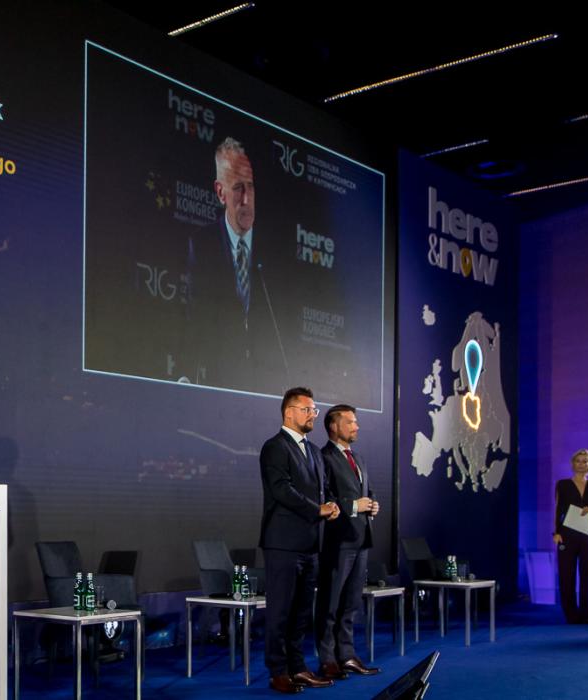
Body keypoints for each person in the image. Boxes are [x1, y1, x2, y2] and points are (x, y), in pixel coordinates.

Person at [184, 137, 286, 393]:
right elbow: (194, 320)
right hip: (219, 386)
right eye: (238, 188)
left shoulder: (275, 252)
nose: (247, 199)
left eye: (250, 187)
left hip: (265, 389)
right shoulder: (203, 245)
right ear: (221, 192)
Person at [259, 387, 340, 693]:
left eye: (314, 410)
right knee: (280, 612)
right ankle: (278, 671)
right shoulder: (275, 447)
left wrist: (331, 505)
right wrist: (317, 509)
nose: (312, 415)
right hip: (283, 543)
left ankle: (298, 667)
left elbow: (324, 490)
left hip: (310, 545)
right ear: (288, 412)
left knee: (301, 613)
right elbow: (282, 490)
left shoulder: (315, 451)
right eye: (307, 410)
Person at [315, 404, 380, 680]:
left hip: (361, 539)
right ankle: (327, 659)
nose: (356, 426)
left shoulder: (358, 458)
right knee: (330, 603)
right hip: (338, 541)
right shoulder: (323, 457)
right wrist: (353, 505)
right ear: (334, 426)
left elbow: (367, 491)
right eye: (351, 422)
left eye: (356, 422)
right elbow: (322, 496)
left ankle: (347, 655)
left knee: (351, 603)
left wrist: (372, 504)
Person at [553, 448, 588, 624]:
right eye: (578, 461)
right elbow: (558, 509)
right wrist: (556, 532)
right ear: (573, 463)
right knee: (567, 573)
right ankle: (571, 614)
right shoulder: (563, 484)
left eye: (585, 461)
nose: (581, 464)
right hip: (567, 533)